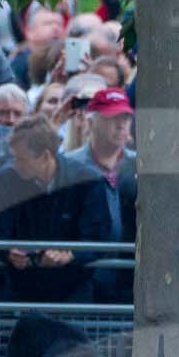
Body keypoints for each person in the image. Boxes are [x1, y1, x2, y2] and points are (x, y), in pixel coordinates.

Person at [0, 114, 84, 302]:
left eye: (21, 159)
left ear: (45, 156)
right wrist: (7, 252)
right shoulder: (5, 181)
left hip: (72, 291)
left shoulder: (86, 181)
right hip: (18, 289)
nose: (15, 165)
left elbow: (99, 233)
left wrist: (71, 255)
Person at [63, 87, 136, 302]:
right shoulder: (68, 166)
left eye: (125, 117)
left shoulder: (142, 166)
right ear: (92, 122)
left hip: (128, 277)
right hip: (82, 278)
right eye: (112, 117)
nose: (121, 124)